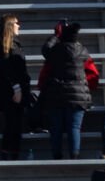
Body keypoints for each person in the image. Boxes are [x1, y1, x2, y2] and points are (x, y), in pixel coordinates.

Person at [38, 19, 96, 159]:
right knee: (74, 127)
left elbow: (45, 49)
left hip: (57, 94)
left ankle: (57, 155)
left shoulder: (56, 50)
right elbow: (93, 72)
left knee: (56, 127)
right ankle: (74, 155)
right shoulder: (82, 50)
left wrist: (55, 36)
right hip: (78, 95)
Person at [0, 13, 29, 162]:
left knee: (15, 123)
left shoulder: (11, 44)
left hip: (11, 90)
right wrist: (17, 88)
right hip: (10, 92)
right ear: (10, 26)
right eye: (16, 23)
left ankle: (12, 154)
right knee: (12, 124)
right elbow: (8, 69)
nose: (19, 26)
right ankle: (10, 155)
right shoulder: (6, 45)